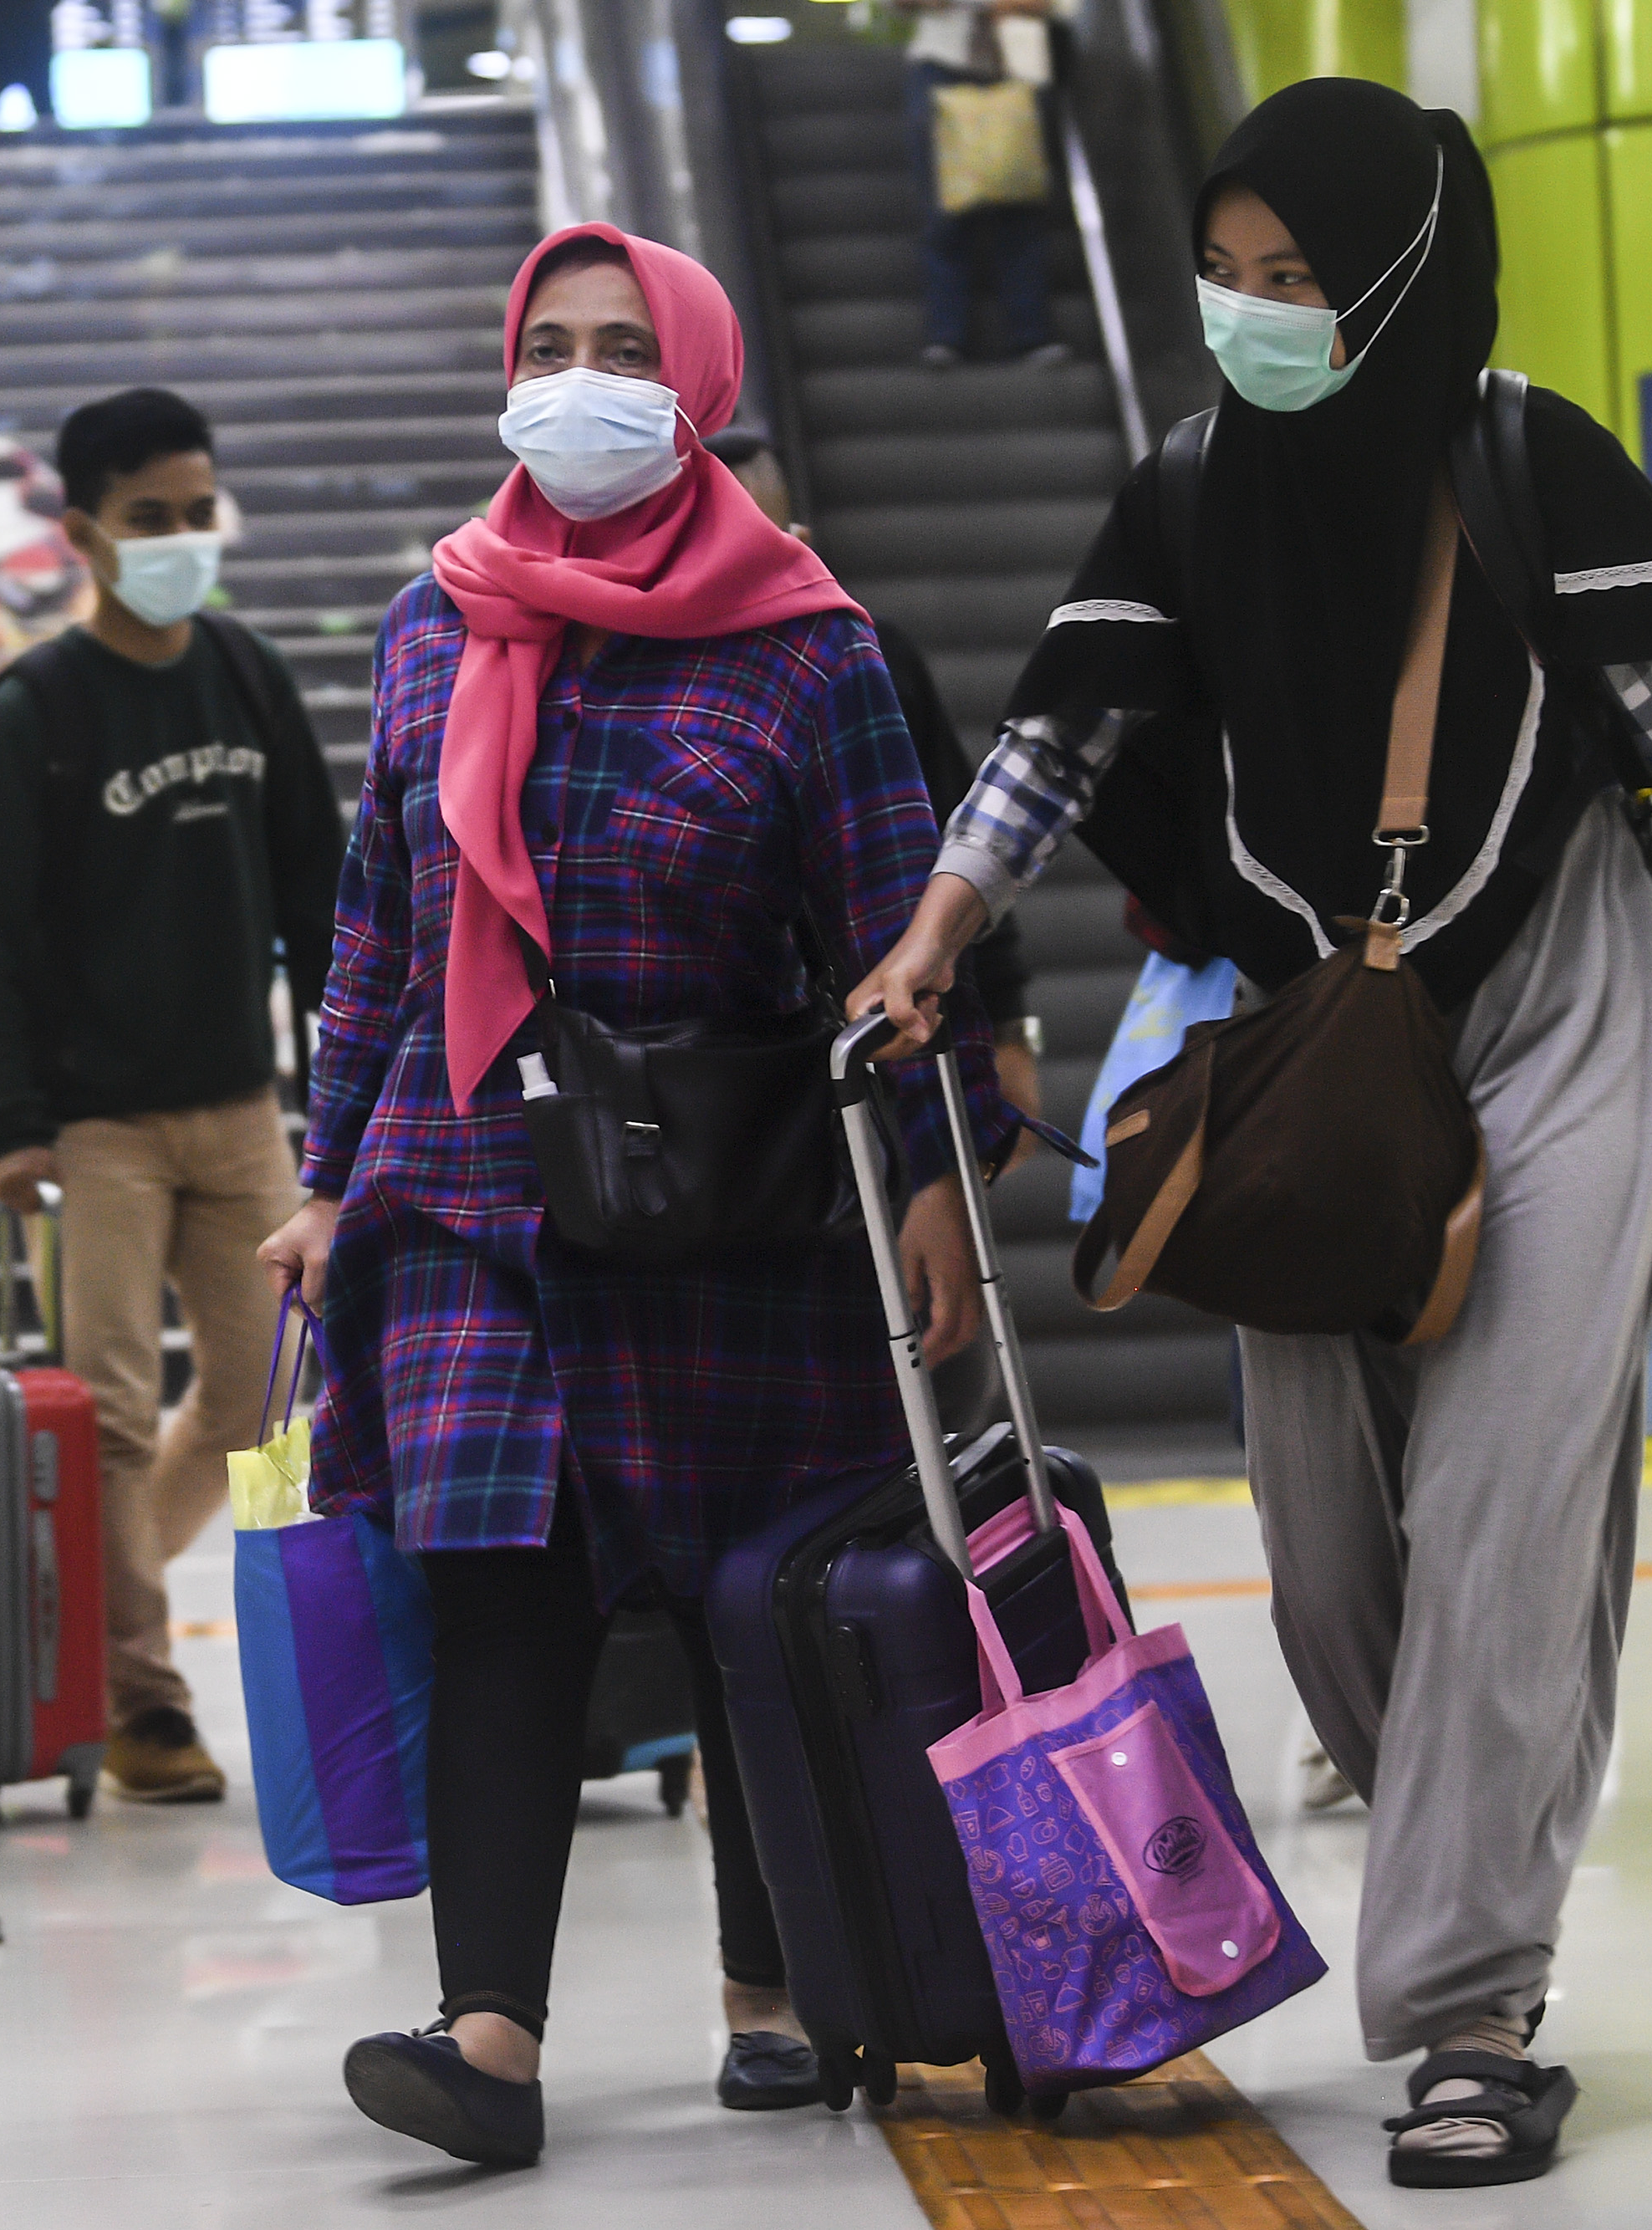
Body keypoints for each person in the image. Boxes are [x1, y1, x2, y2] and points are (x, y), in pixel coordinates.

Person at [854, 81, 1652, 2190]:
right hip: (1312, 1049)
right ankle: (1459, 1835)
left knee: (1508, 1493)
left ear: (1400, 284)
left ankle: (1468, 2008)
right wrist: (936, 925)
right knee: (1332, 1531)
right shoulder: (1193, 490)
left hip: (1560, 1005)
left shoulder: (1527, 457)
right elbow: (1059, 733)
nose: (1251, 320)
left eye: (1298, 285)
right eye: (1226, 279)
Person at [257, 224, 1010, 2168]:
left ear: (700, 388)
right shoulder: (432, 625)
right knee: (502, 1590)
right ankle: (486, 2038)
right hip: (461, 1188)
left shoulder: (810, 650)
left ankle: (771, 1983)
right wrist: (319, 1177)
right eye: (548, 342)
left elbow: (884, 944)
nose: (578, 380)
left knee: (737, 1592)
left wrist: (929, 1180)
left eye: (621, 348)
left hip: (718, 1197)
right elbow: (371, 933)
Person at [0, 385, 346, 1804]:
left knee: (263, 1415)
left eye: (198, 512)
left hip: (242, 1113)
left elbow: (324, 896)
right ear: (81, 534)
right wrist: (14, 1125)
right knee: (111, 1416)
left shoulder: (245, 675)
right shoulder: (31, 713)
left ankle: (143, 1616)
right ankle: (145, 1700)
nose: (182, 539)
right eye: (149, 519)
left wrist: (342, 1104)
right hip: (96, 1129)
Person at [706, 423, 1046, 1437]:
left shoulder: (860, 657)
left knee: (941, 1388)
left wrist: (1009, 1043)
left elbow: (957, 871)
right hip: (734, 1115)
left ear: (798, 537)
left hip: (881, 1073)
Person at [895, 0, 1077, 370]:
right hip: (940, 64)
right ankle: (945, 337)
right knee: (943, 210)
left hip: (1020, 65)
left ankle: (1032, 335)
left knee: (1022, 206)